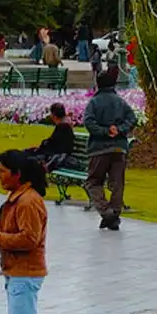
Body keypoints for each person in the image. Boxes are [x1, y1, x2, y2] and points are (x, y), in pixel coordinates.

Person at [0, 149, 49, 314]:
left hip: (25, 273)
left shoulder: (27, 202)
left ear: (17, 174)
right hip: (17, 272)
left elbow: (29, 238)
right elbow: (16, 227)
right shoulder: (19, 197)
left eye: (3, 171)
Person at [82, 67, 137, 230]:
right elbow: (132, 118)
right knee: (117, 183)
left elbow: (89, 122)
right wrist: (119, 130)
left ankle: (107, 213)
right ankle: (115, 213)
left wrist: (105, 132)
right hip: (119, 148)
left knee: (93, 182)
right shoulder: (120, 102)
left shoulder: (94, 102)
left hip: (99, 149)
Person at [27, 103, 78, 171]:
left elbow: (53, 144)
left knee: (29, 158)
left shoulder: (63, 126)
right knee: (29, 153)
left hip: (54, 156)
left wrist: (41, 146)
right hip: (54, 155)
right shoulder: (64, 125)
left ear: (54, 116)